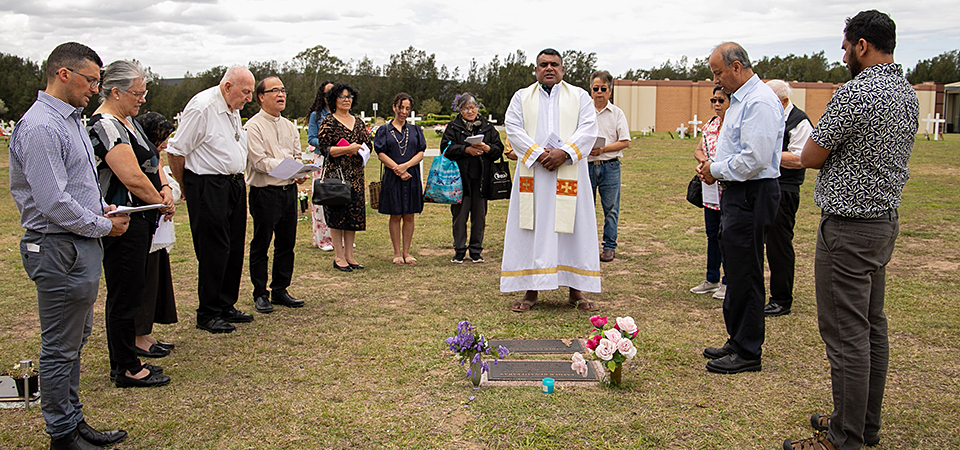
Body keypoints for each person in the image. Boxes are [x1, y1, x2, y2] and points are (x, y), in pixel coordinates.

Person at [784, 10, 918, 450]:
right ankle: (863, 424)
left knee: (846, 337)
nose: (843, 55)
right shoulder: (906, 93)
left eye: (845, 47)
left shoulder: (857, 93)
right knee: (871, 329)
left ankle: (844, 438)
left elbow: (811, 155)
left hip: (847, 229)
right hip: (883, 225)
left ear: (862, 45)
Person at [10, 41, 130, 450]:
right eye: (91, 80)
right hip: (59, 245)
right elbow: (52, 201)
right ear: (64, 74)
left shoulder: (72, 120)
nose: (95, 89)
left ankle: (73, 422)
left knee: (74, 340)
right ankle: (62, 434)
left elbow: (76, 186)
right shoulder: (43, 125)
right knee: (61, 346)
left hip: (77, 244)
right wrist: (101, 224)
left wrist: (101, 206)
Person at [88, 60, 175, 388]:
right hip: (123, 219)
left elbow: (152, 162)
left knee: (133, 289)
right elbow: (132, 176)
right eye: (137, 93)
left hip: (141, 217)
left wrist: (163, 189)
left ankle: (129, 359)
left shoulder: (128, 121)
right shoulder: (106, 125)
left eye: (144, 92)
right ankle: (124, 366)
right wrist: (160, 198)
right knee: (124, 293)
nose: (142, 98)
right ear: (116, 91)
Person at [698, 42, 783, 375]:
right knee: (734, 268)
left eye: (718, 73)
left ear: (736, 67)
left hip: (752, 192)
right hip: (737, 193)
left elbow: (755, 158)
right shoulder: (740, 101)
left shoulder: (759, 101)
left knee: (746, 271)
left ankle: (748, 351)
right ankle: (737, 339)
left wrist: (715, 169)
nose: (716, 81)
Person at [501, 48, 600, 313]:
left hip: (569, 173)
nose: (549, 68)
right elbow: (513, 127)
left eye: (554, 64)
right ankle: (531, 290)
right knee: (532, 227)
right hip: (534, 175)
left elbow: (589, 128)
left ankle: (576, 290)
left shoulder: (579, 96)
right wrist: (537, 154)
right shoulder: (521, 97)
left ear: (563, 69)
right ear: (535, 70)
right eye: (543, 64)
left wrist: (564, 153)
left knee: (573, 229)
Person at [166, 66, 256, 334]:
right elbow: (176, 151)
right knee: (213, 248)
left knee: (234, 246)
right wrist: (186, 188)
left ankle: (226, 304)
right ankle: (208, 312)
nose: (249, 98)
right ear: (227, 86)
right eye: (245, 92)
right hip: (208, 184)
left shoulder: (232, 108)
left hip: (233, 183)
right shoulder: (202, 107)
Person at [244, 75, 307, 314]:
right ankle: (260, 292)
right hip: (264, 192)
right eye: (275, 91)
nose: (281, 95)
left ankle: (281, 288)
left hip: (288, 191)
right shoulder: (253, 126)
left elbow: (297, 155)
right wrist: (291, 167)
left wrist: (299, 170)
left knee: (286, 243)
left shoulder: (289, 125)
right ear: (261, 97)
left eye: (283, 90)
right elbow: (260, 162)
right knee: (261, 243)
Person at [763, 79, 813, 318]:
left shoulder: (799, 120)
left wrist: (766, 155)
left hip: (785, 189)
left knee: (779, 244)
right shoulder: (771, 118)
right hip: (765, 186)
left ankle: (781, 299)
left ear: (783, 101)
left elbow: (801, 158)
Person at [133, 112, 179, 358]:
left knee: (155, 282)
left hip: (159, 231)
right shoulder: (143, 161)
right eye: (160, 139)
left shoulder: (157, 161)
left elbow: (174, 188)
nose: (164, 144)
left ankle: (145, 331)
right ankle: (137, 335)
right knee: (144, 282)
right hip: (145, 228)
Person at [441, 92, 504, 264]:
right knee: (459, 217)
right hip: (460, 181)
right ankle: (459, 250)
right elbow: (445, 149)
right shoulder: (453, 127)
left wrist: (487, 148)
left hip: (482, 181)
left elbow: (499, 149)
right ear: (460, 110)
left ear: (477, 108)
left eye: (472, 107)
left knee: (479, 216)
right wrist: (465, 150)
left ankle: (476, 250)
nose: (470, 111)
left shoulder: (488, 127)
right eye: (466, 108)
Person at [316, 82, 370, 272]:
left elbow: (367, 143)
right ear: (334, 100)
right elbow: (325, 149)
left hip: (355, 175)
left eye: (349, 96)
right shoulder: (328, 122)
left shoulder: (358, 121)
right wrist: (347, 149)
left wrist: (362, 150)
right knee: (337, 216)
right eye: (342, 97)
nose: (346, 100)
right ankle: (338, 257)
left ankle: (349, 256)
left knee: (353, 216)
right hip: (336, 176)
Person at [375, 92, 426, 265]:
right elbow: (381, 154)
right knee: (395, 215)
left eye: (407, 108)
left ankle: (407, 252)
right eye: (401, 107)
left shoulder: (415, 130)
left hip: (411, 176)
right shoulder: (384, 130)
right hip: (392, 177)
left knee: (409, 215)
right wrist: (398, 169)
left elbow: (420, 152)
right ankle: (397, 252)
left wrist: (406, 166)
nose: (403, 111)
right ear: (394, 107)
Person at [690, 86, 730, 299]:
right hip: (710, 188)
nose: (716, 104)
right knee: (712, 234)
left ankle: (727, 282)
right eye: (713, 100)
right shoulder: (710, 125)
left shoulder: (733, 126)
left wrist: (715, 167)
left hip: (729, 188)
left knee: (727, 235)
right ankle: (712, 279)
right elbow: (698, 150)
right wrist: (704, 164)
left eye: (721, 100)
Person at [586, 70, 631, 263]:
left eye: (603, 89)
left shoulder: (617, 113)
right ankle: (585, 247)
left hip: (610, 166)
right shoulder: (584, 112)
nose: (599, 92)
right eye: (595, 88)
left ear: (610, 91)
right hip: (586, 166)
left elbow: (625, 141)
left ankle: (609, 247)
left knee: (611, 209)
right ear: (590, 90)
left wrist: (603, 149)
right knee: (585, 208)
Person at [307, 81, 335, 250]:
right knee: (322, 199)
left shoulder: (342, 113)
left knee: (340, 197)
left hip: (339, 160)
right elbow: (311, 138)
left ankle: (339, 238)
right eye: (327, 94)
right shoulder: (316, 115)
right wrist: (328, 143)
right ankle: (323, 239)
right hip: (322, 159)